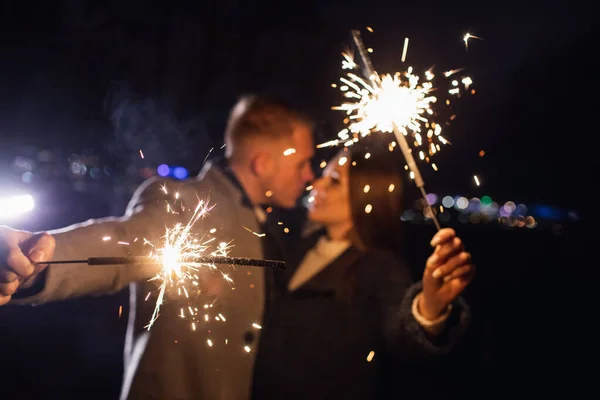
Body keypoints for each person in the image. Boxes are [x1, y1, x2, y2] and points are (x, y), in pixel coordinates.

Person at [0, 94, 315, 400]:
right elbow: (124, 242)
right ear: (263, 164)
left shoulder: (268, 224)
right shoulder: (187, 204)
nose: (309, 174)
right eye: (302, 163)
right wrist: (37, 258)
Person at [251, 137, 475, 399]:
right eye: (324, 176)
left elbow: (400, 332)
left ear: (364, 195)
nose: (317, 184)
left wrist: (428, 308)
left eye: (333, 180)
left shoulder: (380, 267)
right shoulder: (299, 248)